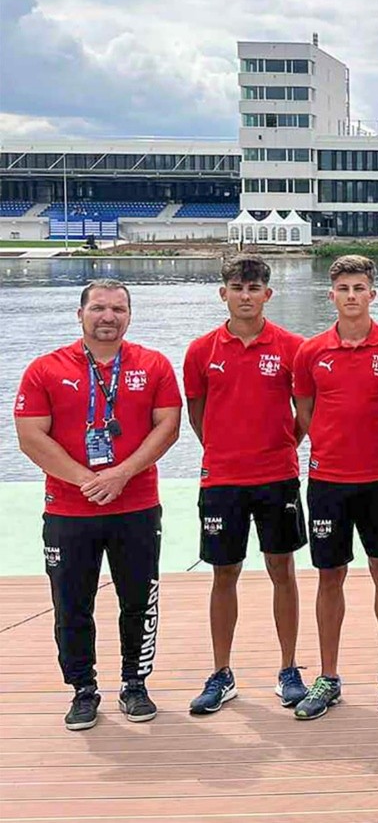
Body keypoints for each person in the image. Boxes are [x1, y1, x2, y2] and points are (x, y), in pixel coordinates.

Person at [15, 279, 181, 730]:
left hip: (136, 505)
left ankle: (135, 683)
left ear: (130, 315)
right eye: (99, 308)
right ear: (80, 314)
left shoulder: (153, 364)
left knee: (139, 600)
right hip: (69, 509)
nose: (108, 317)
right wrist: (88, 480)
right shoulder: (45, 368)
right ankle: (83, 690)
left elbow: (168, 425)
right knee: (71, 603)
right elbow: (30, 434)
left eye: (118, 309)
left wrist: (122, 473)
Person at [290, 255, 378, 720]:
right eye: (343, 289)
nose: (351, 297)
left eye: (359, 288)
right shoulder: (310, 352)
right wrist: (328, 443)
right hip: (327, 480)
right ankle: (328, 676)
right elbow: (305, 411)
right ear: (332, 296)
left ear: (372, 295)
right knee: (330, 575)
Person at [182, 256, 309, 715]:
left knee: (283, 570)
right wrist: (224, 447)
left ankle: (289, 669)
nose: (246, 295)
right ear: (224, 293)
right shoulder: (200, 350)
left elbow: (305, 412)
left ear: (267, 295)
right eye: (237, 287)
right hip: (222, 479)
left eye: (254, 287)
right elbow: (198, 414)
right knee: (224, 573)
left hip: (277, 477)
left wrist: (280, 445)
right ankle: (221, 673)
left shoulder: (293, 347)